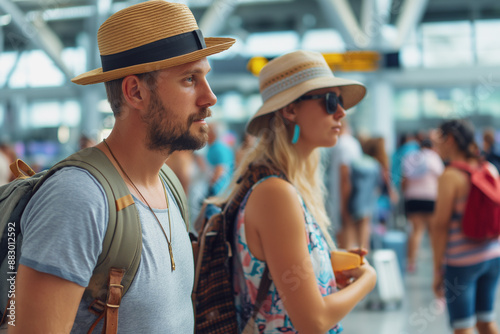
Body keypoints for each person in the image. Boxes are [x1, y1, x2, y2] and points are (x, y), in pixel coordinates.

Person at [11, 1, 234, 333]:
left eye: (206, 78)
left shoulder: (168, 182)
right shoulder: (79, 198)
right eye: (190, 80)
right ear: (135, 92)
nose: (210, 97)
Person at [210, 50, 376, 333]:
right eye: (330, 101)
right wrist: (369, 278)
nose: (341, 112)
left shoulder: (273, 184)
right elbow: (314, 322)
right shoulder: (276, 194)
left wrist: (324, 267)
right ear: (290, 110)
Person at [431, 119, 500, 334]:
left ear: (450, 140)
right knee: (486, 321)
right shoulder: (488, 168)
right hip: (493, 255)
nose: (436, 146)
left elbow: (440, 226)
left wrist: (437, 269)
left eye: (439, 140)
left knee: (462, 327)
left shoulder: (450, 176)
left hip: (462, 262)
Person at [402, 138, 444, 273]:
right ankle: (437, 264)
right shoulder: (434, 157)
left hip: (413, 198)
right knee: (434, 233)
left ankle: (411, 263)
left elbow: (405, 179)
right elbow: (441, 178)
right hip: (431, 198)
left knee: (416, 232)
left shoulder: (411, 157)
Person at [325, 119, 363, 249]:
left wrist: (344, 205)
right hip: (353, 196)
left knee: (345, 240)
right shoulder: (353, 143)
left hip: (343, 197)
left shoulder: (343, 145)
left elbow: (344, 176)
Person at [206, 122, 235, 196]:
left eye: (207, 131)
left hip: (219, 190)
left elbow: (220, 169)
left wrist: (210, 187)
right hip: (224, 188)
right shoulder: (217, 147)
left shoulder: (218, 148)